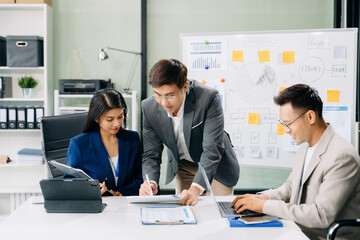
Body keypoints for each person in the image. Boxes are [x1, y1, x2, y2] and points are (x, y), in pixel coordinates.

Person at [232, 84, 360, 239]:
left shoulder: (342, 156)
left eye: (288, 123)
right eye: (283, 124)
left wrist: (264, 206)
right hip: (298, 231)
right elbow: (290, 188)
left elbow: (322, 215)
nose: (286, 130)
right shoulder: (305, 148)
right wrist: (261, 198)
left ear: (310, 117)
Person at [139, 59, 240, 205]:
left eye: (170, 95)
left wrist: (195, 190)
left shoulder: (208, 98)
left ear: (185, 87)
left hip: (216, 166)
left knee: (217, 212)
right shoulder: (148, 107)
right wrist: (151, 183)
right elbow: (151, 153)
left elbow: (212, 150)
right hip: (183, 165)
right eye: (158, 95)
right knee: (184, 211)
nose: (164, 102)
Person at [66, 88, 143, 196]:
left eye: (120, 117)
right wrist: (92, 190)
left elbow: (140, 176)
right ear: (96, 118)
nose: (117, 124)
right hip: (97, 206)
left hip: (127, 205)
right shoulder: (79, 144)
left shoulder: (132, 139)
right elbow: (70, 182)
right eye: (110, 119)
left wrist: (123, 192)